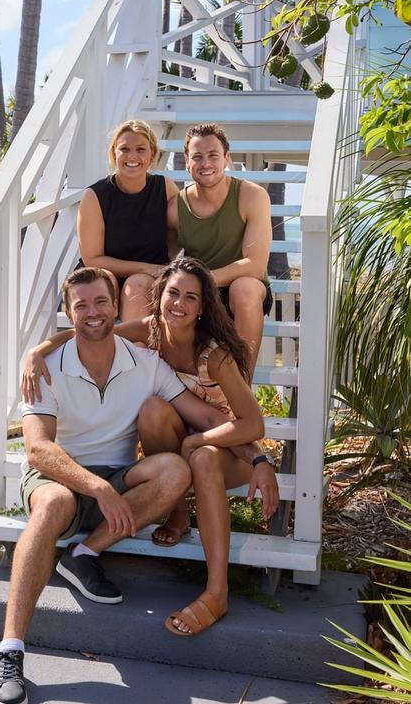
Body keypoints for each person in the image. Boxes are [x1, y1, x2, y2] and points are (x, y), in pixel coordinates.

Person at [21, 258, 278, 642]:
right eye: (173, 293)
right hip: (179, 442)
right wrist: (37, 351)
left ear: (203, 306)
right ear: (158, 298)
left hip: (226, 442)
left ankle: (216, 592)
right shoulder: (149, 331)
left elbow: (250, 424)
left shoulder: (216, 355)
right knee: (154, 411)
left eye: (191, 297)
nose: (180, 304)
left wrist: (256, 456)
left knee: (202, 457)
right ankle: (176, 514)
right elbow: (90, 330)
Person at [167, 122, 273, 373]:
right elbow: (164, 260)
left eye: (213, 155)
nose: (205, 164)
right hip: (200, 292)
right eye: (197, 157)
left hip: (241, 286)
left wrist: (203, 281)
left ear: (226, 158)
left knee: (244, 289)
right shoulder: (174, 208)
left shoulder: (252, 196)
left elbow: (256, 266)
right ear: (187, 160)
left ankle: (242, 386)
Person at [77, 119, 178, 319]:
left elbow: (177, 235)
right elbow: (92, 259)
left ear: (153, 154)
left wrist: (156, 268)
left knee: (138, 285)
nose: (132, 156)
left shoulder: (165, 188)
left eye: (141, 149)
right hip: (106, 273)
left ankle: (134, 350)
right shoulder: (95, 195)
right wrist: (147, 267)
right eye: (124, 149)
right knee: (103, 284)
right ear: (114, 152)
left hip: (147, 279)